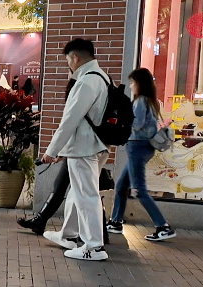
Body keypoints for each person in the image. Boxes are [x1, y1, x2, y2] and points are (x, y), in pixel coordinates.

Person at [39, 38, 110, 261]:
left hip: (84, 147)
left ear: (75, 58)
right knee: (78, 193)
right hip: (95, 145)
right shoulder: (102, 77)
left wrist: (51, 149)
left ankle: (94, 247)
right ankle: (68, 235)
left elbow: (70, 119)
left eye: (68, 60)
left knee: (87, 195)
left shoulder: (86, 81)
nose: (68, 64)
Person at [107, 68, 176, 242]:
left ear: (139, 83)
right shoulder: (150, 102)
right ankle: (115, 221)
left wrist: (120, 118)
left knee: (140, 190)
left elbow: (135, 125)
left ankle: (163, 226)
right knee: (122, 186)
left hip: (137, 147)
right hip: (142, 147)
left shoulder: (140, 102)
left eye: (132, 83)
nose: (130, 86)